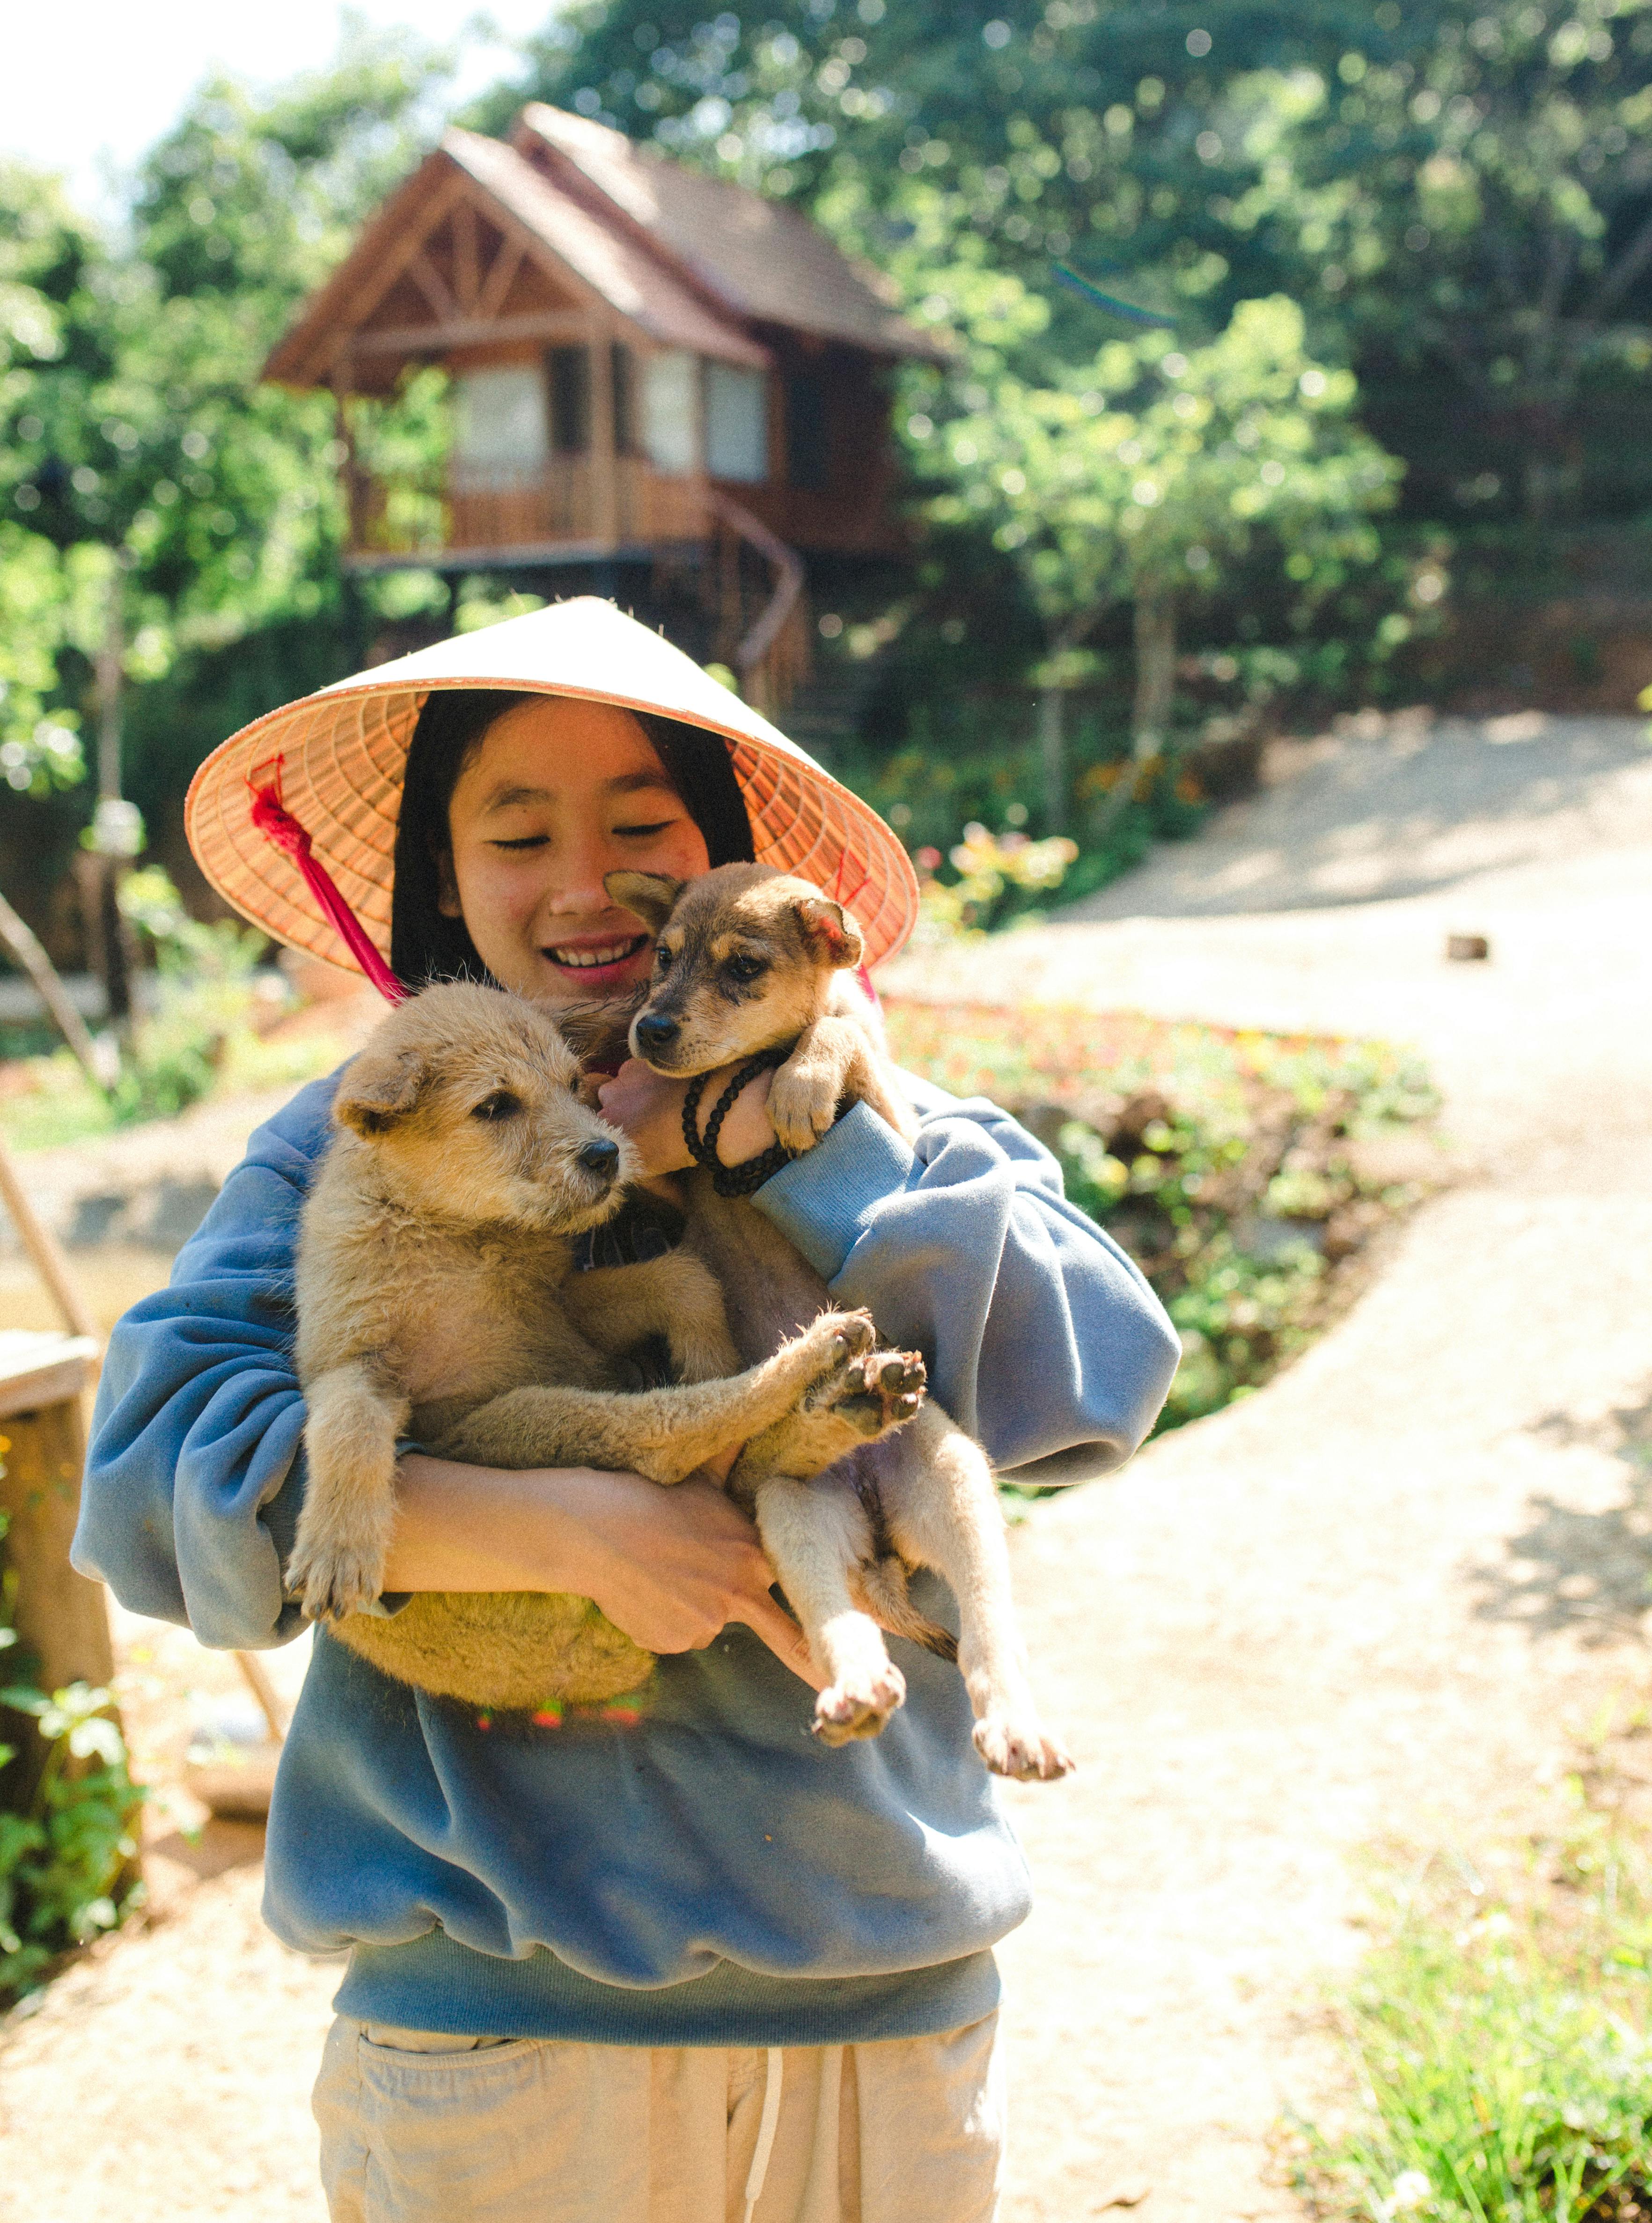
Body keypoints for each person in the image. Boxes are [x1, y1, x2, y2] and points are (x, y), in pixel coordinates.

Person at [74, 598, 1179, 2223]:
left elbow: (1090, 1384)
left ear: (736, 884)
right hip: (496, 2030)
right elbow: (143, 1478)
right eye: (516, 833)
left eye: (641, 828)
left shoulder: (872, 1111)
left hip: (880, 2002)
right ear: (442, 885)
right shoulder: (374, 1135)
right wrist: (546, 1524)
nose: (587, 882)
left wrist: (802, 1151)